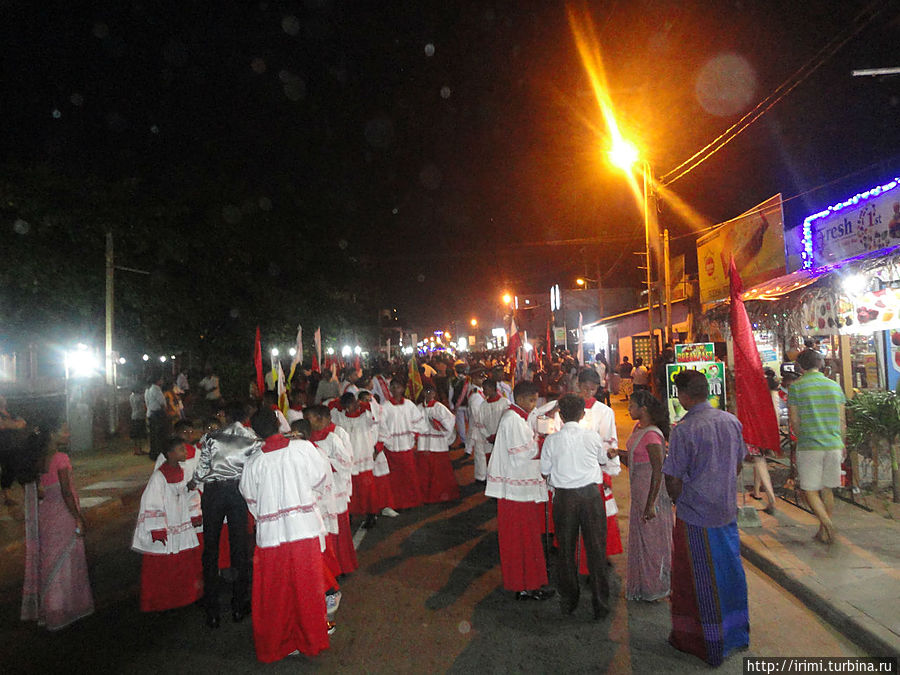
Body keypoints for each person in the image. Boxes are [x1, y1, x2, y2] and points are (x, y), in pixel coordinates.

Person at [663, 369, 749, 666]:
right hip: (726, 511)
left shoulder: (684, 430)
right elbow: (738, 465)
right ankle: (737, 635)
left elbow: (672, 477)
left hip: (696, 516)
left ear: (684, 395)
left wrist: (677, 500)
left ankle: (705, 643)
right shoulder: (730, 421)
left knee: (697, 582)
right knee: (730, 572)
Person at [241, 407, 333, 662]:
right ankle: (310, 638)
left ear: (254, 431)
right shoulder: (303, 448)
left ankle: (278, 642)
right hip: (303, 530)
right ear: (279, 424)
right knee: (307, 587)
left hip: (272, 537)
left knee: (276, 592)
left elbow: (251, 499)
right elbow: (319, 478)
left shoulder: (253, 462)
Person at [540, 394, 613, 619]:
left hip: (565, 498)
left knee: (566, 550)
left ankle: (569, 600)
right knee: (596, 550)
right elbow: (602, 460)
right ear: (583, 415)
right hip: (591, 496)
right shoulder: (592, 437)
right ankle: (600, 604)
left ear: (560, 415)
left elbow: (544, 471)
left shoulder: (552, 441)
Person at [189, 403, 261, 628]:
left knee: (210, 549)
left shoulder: (212, 437)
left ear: (226, 416)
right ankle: (239, 605)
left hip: (214, 493)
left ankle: (212, 610)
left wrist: (193, 482)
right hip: (237, 492)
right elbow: (255, 467)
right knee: (239, 548)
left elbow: (202, 469)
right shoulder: (252, 438)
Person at [19, 418, 95, 630]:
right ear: (52, 434)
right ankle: (63, 607)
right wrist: (77, 516)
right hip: (62, 513)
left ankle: (51, 608)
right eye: (64, 429)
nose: (68, 432)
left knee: (50, 559)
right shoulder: (61, 458)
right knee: (67, 560)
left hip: (46, 513)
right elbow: (66, 491)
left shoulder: (39, 458)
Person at [485, 381, 554, 601]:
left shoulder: (517, 417)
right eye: (531, 400)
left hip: (518, 488)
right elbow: (523, 452)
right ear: (520, 399)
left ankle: (528, 583)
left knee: (526, 539)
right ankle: (525, 585)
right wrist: (545, 441)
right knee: (521, 540)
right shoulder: (512, 419)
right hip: (515, 492)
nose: (534, 405)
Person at [132, 436, 203, 612]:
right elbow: (151, 502)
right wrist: (157, 528)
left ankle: (187, 596)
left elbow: (191, 493)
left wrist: (194, 513)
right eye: (181, 450)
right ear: (170, 454)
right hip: (166, 522)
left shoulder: (185, 472)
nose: (186, 452)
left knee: (184, 560)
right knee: (164, 565)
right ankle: (164, 600)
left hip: (181, 519)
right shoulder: (158, 477)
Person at [619, 390, 673, 602]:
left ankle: (655, 586)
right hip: (639, 491)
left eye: (632, 406)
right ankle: (642, 584)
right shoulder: (637, 429)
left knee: (653, 542)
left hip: (652, 494)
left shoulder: (652, 436)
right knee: (641, 540)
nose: (629, 409)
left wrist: (651, 504)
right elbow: (634, 459)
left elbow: (658, 470)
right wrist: (618, 454)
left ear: (644, 409)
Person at [788, 348, 846, 545]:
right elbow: (842, 420)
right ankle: (823, 532)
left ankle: (828, 524)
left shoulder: (796, 388)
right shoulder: (834, 387)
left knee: (810, 489)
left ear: (800, 366)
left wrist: (799, 434)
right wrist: (843, 443)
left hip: (809, 445)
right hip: (834, 444)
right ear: (820, 364)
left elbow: (794, 420)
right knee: (827, 488)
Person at [306, 404, 357, 575]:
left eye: (311, 418)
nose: (308, 421)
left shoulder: (334, 437)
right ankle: (328, 570)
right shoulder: (306, 440)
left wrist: (326, 463)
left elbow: (347, 461)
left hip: (335, 490)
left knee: (338, 530)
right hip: (318, 493)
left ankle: (343, 565)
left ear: (322, 419)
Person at [377, 378, 430, 509]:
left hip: (407, 445)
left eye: (398, 387)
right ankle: (396, 503)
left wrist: (414, 435)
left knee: (410, 474)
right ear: (389, 389)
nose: (396, 390)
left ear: (403, 389)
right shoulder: (384, 407)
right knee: (395, 477)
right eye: (393, 387)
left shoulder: (409, 405)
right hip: (392, 447)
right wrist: (385, 441)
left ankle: (412, 500)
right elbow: (381, 426)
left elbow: (419, 422)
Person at [417, 384, 460, 503]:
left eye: (431, 392)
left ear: (434, 394)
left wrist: (438, 424)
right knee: (424, 471)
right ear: (423, 393)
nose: (428, 394)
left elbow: (450, 420)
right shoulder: (418, 408)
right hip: (423, 444)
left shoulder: (439, 407)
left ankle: (441, 494)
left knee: (439, 471)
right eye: (426, 392)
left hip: (438, 443)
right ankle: (424, 494)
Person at [474, 378, 511, 477]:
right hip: (489, 440)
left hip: (502, 438)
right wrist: (488, 436)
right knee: (491, 463)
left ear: (492, 388)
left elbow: (508, 421)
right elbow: (479, 423)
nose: (483, 391)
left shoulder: (505, 403)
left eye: (485, 388)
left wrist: (498, 435)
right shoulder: (483, 405)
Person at [1, 395, 28, 506]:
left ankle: (26, 493)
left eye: (3, 398)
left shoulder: (10, 413)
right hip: (3, 447)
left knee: (18, 469)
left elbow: (22, 423)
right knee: (8, 470)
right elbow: (4, 425)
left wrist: (12, 424)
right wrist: (14, 424)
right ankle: (8, 496)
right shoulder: (7, 415)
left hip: (14, 445)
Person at [145, 373, 168, 461]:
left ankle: (154, 453)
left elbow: (147, 403)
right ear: (158, 381)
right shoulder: (156, 389)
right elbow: (162, 403)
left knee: (153, 435)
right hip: (158, 414)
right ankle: (159, 453)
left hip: (151, 413)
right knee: (160, 435)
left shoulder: (148, 390)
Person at [129, 386, 147, 455]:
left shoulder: (131, 396)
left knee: (135, 435)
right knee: (139, 434)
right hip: (140, 416)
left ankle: (136, 450)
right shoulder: (140, 397)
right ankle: (139, 449)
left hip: (133, 415)